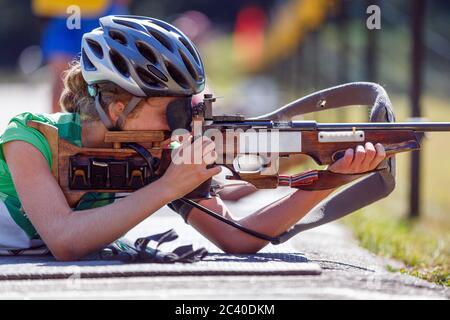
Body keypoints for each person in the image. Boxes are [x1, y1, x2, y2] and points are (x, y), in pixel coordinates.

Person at [0, 16, 386, 261]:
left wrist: (329, 180)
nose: (184, 122)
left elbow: (237, 239)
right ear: (118, 107)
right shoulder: (31, 137)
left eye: (190, 108)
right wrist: (168, 187)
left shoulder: (163, 153)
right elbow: (65, 241)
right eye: (173, 111)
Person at [33, 0, 131, 113]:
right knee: (104, 79)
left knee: (63, 79)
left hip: (67, 11)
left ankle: (58, 128)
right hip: (69, 11)